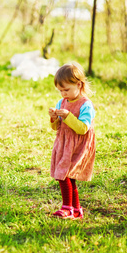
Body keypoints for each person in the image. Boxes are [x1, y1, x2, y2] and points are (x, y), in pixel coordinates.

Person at [49, 62, 96, 219]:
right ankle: (76, 210)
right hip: (63, 145)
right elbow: (56, 128)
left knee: (65, 176)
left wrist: (68, 116)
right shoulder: (62, 102)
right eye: (60, 90)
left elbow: (83, 128)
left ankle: (67, 208)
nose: (63, 94)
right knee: (67, 176)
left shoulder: (86, 105)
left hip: (78, 146)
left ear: (79, 84)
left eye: (66, 90)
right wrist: (54, 118)